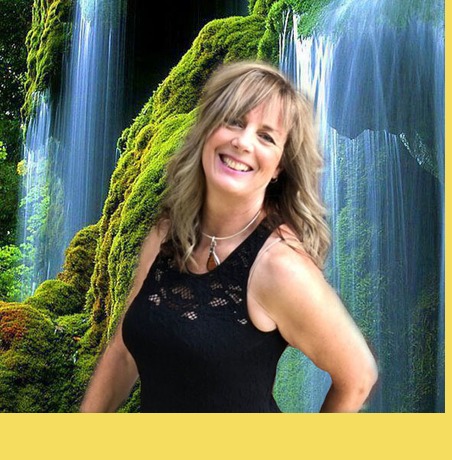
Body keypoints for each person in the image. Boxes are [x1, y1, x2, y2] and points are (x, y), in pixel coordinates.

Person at [80, 61, 378, 413]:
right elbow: (123, 352)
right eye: (234, 121)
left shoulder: (280, 265)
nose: (243, 142)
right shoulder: (166, 234)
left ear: (279, 166)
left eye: (266, 136)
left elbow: (359, 376)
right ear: (208, 129)